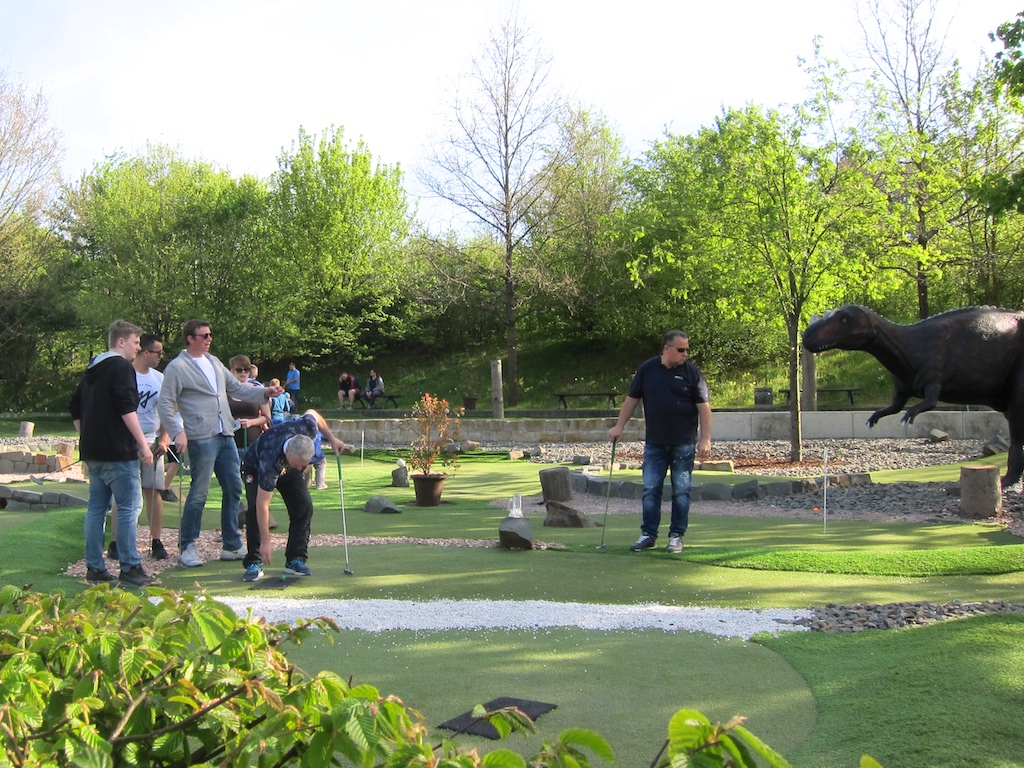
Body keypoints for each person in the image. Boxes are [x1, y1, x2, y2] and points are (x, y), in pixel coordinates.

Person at [157, 319, 283, 568]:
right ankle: (187, 546)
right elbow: (165, 403)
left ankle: (231, 544)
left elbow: (236, 388)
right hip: (200, 436)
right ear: (190, 338)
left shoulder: (213, 361)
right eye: (204, 335)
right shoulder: (177, 367)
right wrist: (177, 432)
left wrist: (264, 393)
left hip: (225, 433)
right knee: (199, 493)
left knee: (234, 487)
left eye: (210, 334)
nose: (209, 339)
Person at [608, 330, 712, 554]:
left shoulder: (692, 373)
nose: (685, 354)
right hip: (655, 442)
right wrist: (619, 426)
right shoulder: (648, 369)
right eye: (681, 349)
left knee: (681, 491)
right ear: (667, 349)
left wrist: (705, 438)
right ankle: (648, 534)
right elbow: (632, 400)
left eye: (687, 350)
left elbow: (704, 408)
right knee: (650, 489)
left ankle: (676, 536)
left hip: (683, 442)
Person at [69, 320, 155, 587]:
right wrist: (143, 444)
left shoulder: (92, 368)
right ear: (121, 341)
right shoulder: (121, 367)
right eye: (135, 342)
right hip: (119, 452)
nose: (138, 348)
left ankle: (95, 567)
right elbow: (126, 407)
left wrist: (86, 437)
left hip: (93, 452)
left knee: (96, 508)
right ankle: (130, 567)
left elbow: (74, 406)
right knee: (129, 507)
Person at [241, 409, 354, 582]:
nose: (302, 468)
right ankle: (254, 562)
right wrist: (266, 542)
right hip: (255, 467)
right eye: (299, 464)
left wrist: (332, 439)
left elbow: (313, 413)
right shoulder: (270, 459)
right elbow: (262, 505)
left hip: (287, 468)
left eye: (304, 465)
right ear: (288, 453)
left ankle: (295, 559)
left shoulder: (308, 428)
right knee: (254, 511)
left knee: (303, 506)